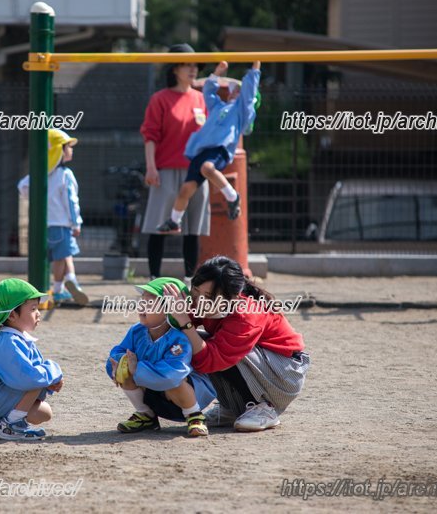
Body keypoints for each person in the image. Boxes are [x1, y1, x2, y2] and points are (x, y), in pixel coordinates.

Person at [163, 256, 310, 432]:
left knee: (210, 345)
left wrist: (185, 323)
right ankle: (231, 408)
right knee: (187, 339)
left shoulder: (246, 314)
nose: (199, 301)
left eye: (208, 296)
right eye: (195, 291)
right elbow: (177, 331)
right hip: (261, 364)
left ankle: (262, 408)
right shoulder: (202, 301)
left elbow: (212, 359)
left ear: (230, 297)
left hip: (285, 374)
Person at [157, 60, 261, 232]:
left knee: (207, 168)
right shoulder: (218, 107)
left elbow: (249, 94)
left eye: (237, 92)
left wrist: (255, 69)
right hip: (202, 151)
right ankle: (175, 220)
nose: (233, 93)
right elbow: (209, 92)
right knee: (186, 189)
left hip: (219, 148)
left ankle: (233, 196)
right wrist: (217, 73)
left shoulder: (242, 112)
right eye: (232, 91)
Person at [105, 277, 215, 437]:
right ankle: (146, 415)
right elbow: (118, 353)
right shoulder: (137, 331)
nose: (142, 306)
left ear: (169, 312)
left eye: (149, 304)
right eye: (141, 301)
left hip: (183, 399)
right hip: (154, 394)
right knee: (124, 370)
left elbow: (172, 375)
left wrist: (137, 369)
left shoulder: (179, 338)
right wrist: (120, 365)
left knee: (175, 382)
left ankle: (195, 416)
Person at [140, 43, 210, 286]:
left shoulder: (202, 99)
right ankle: (153, 281)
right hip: (166, 169)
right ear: (174, 68)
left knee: (192, 228)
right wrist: (151, 167)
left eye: (195, 65)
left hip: (196, 172)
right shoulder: (160, 99)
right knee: (159, 225)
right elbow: (150, 135)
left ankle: (191, 282)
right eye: (186, 64)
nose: (192, 69)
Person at [0, 278, 64, 441]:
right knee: (35, 380)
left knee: (43, 412)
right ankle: (10, 427)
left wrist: (49, 382)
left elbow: (33, 375)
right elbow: (29, 378)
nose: (38, 313)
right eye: (33, 309)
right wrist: (54, 371)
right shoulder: (9, 341)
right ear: (12, 315)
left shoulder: (15, 338)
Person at [17, 129, 88, 305]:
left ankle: (67, 283)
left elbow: (22, 187)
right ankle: (60, 287)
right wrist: (76, 222)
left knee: (62, 255)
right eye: (68, 146)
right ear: (59, 150)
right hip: (62, 224)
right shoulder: (65, 174)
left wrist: (33, 198)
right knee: (62, 256)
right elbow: (72, 202)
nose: (71, 150)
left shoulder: (40, 173)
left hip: (43, 225)